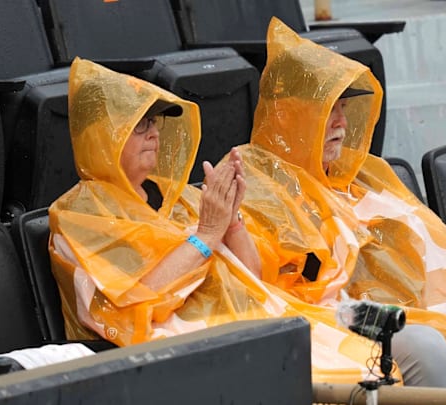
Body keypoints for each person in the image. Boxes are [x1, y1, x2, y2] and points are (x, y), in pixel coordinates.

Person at [231, 18, 446, 403]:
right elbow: (254, 285)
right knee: (422, 344)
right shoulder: (254, 181)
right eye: (329, 111)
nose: (342, 123)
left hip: (419, 304)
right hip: (338, 313)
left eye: (344, 110)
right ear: (291, 117)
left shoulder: (366, 175)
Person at [47, 57, 387, 383]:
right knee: (356, 375)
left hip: (252, 329)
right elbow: (137, 302)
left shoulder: (184, 199)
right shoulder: (80, 216)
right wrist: (207, 235)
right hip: (187, 356)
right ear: (103, 138)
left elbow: (253, 279)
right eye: (138, 126)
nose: (153, 134)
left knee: (376, 365)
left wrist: (233, 221)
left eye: (154, 124)